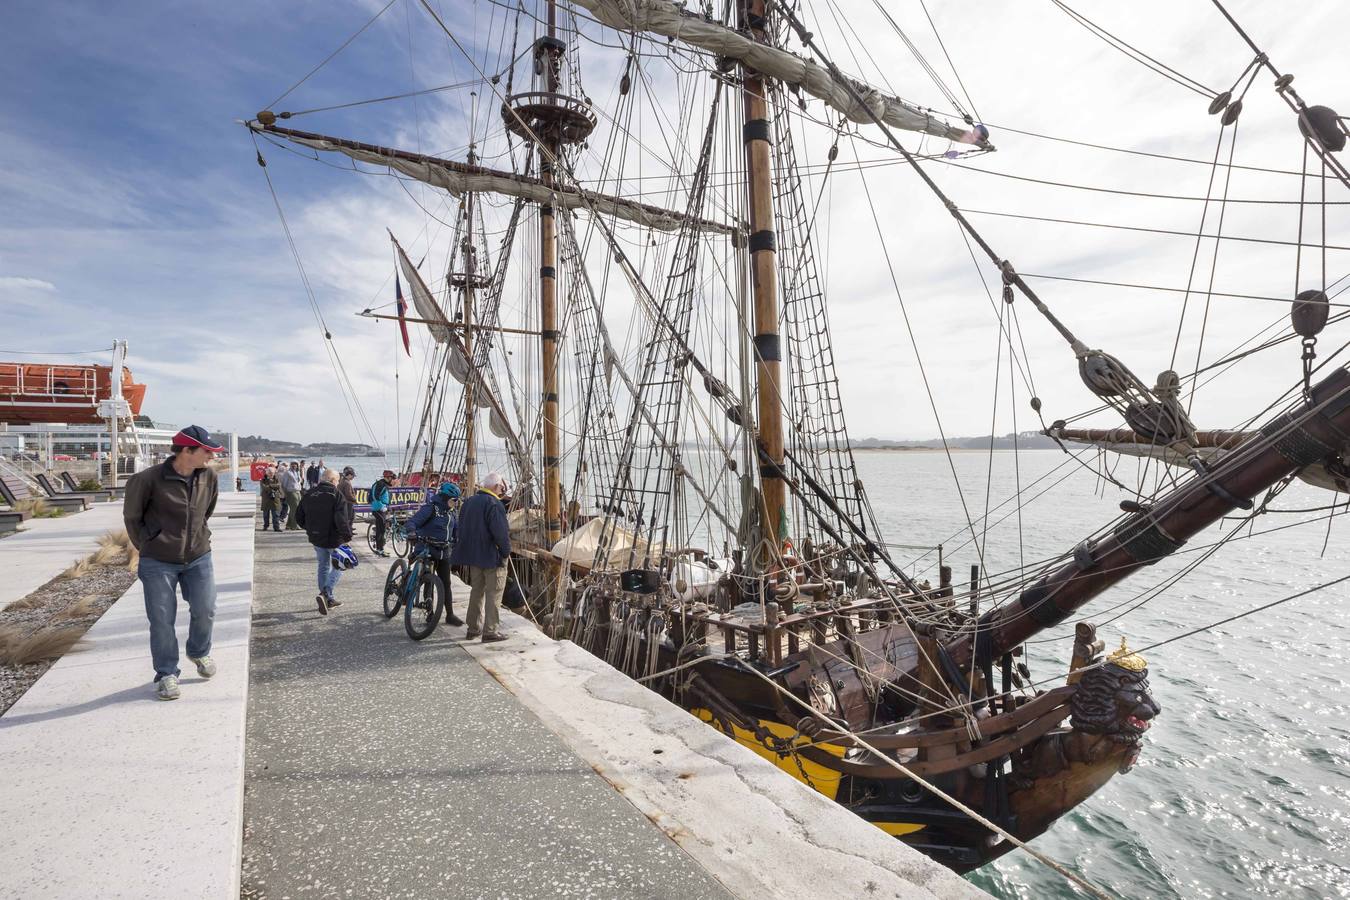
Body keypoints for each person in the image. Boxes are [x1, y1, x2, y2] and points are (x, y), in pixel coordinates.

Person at [123, 425, 222, 700]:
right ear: (187, 451)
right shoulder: (147, 480)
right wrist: (150, 543)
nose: (212, 456)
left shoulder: (209, 477)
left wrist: (199, 536)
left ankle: (198, 652)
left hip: (199, 556)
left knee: (206, 608)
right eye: (207, 451)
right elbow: (132, 518)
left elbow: (207, 511)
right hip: (158, 561)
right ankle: (166, 673)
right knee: (161, 620)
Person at [450, 472, 511, 643]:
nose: (502, 490)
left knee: (476, 591)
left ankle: (473, 628)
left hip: (474, 556)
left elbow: (461, 527)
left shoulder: (469, 502)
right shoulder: (494, 504)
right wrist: (506, 552)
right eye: (501, 487)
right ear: (496, 486)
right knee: (494, 593)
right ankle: (490, 631)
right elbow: (500, 533)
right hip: (492, 556)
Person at [405, 481, 465, 627]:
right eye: (454, 500)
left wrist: (459, 542)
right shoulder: (430, 509)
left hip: (443, 551)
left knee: (446, 583)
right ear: (445, 498)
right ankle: (429, 613)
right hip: (427, 548)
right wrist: (412, 532)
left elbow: (455, 530)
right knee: (428, 581)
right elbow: (413, 522)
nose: (456, 503)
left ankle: (450, 615)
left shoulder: (452, 513)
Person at [296, 468, 352, 616]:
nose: (338, 483)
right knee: (341, 565)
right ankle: (326, 594)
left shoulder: (309, 494)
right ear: (333, 480)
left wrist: (309, 528)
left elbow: (298, 517)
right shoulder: (337, 495)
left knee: (323, 566)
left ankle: (328, 599)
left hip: (316, 538)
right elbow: (341, 519)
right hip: (334, 539)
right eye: (338, 480)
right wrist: (347, 536)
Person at [369, 469, 396, 557]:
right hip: (378, 509)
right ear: (388, 478)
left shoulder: (383, 484)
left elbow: (384, 496)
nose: (393, 480)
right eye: (392, 478)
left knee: (382, 529)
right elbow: (374, 496)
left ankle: (379, 548)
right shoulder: (380, 484)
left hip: (381, 508)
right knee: (381, 529)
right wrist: (381, 506)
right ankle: (380, 549)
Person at [259, 465, 283, 532]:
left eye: (272, 473)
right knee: (266, 515)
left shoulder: (276, 479)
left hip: (275, 499)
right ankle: (265, 526)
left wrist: (269, 486)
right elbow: (264, 487)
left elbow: (278, 485)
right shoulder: (263, 480)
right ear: (267, 473)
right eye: (269, 473)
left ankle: (276, 527)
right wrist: (273, 487)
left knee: (276, 514)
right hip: (266, 499)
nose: (271, 474)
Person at [280, 461, 304, 530]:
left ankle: (288, 525)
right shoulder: (288, 473)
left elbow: (299, 482)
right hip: (291, 492)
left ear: (297, 465)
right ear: (290, 465)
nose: (294, 465)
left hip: (298, 491)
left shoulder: (297, 472)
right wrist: (285, 492)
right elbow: (283, 484)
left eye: (295, 464)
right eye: (292, 464)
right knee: (295, 508)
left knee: (295, 509)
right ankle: (294, 525)